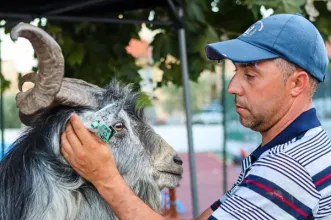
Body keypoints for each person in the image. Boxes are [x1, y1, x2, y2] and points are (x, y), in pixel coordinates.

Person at [61, 13, 331, 219]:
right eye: (235, 71)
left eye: (250, 75)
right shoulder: (295, 149)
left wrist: (105, 177)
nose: (232, 87)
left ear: (297, 84)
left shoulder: (288, 169)